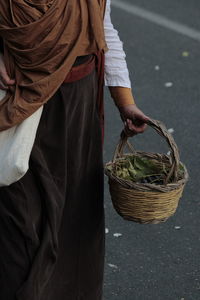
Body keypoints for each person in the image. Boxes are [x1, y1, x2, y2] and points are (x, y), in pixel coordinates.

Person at [0, 0, 149, 299]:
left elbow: (102, 29)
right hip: (21, 106)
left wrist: (125, 100)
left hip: (77, 112)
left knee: (74, 224)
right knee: (20, 228)